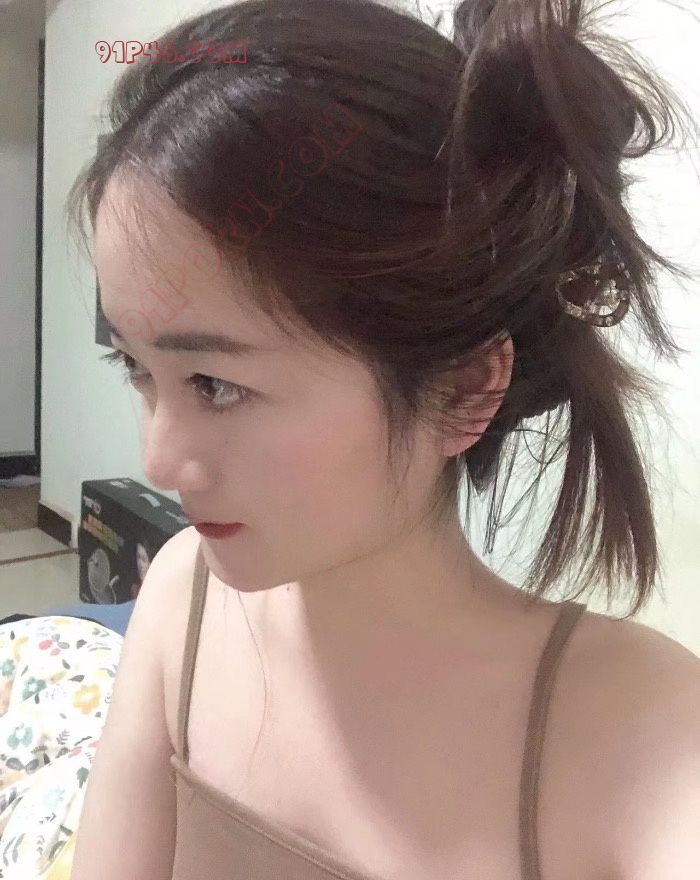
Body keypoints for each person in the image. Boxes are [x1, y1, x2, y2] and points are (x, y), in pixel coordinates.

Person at [67, 1, 700, 878]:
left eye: (215, 384)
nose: (159, 462)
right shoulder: (185, 598)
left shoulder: (641, 732)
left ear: (463, 390)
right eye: (137, 369)